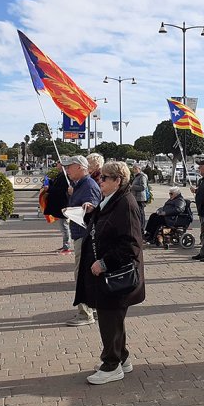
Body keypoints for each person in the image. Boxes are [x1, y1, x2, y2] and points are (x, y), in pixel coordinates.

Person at [74, 161, 145, 385]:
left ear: (118, 181)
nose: (99, 181)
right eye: (100, 177)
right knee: (113, 318)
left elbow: (131, 244)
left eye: (104, 178)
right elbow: (104, 225)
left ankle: (111, 364)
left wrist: (104, 263)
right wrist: (91, 212)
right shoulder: (112, 200)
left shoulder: (125, 203)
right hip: (107, 274)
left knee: (109, 318)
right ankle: (122, 358)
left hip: (115, 274)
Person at [64, 155, 102, 327]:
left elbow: (92, 208)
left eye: (69, 167)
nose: (67, 170)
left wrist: (84, 207)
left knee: (81, 275)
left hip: (85, 235)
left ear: (80, 167)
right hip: (81, 234)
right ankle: (91, 309)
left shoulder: (88, 185)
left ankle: (85, 313)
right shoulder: (81, 184)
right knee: (85, 274)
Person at [44, 160, 72, 254]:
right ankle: (65, 245)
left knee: (64, 226)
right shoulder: (61, 174)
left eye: (59, 163)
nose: (57, 164)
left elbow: (61, 190)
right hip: (59, 204)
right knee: (62, 226)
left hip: (63, 204)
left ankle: (67, 246)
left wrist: (49, 188)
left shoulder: (65, 176)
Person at [130, 164, 148, 233]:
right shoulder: (136, 176)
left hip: (140, 198)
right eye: (133, 168)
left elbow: (143, 187)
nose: (134, 170)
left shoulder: (142, 176)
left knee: (141, 212)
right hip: (136, 197)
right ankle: (138, 227)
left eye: (135, 168)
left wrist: (132, 187)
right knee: (138, 212)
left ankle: (142, 228)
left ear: (139, 169)